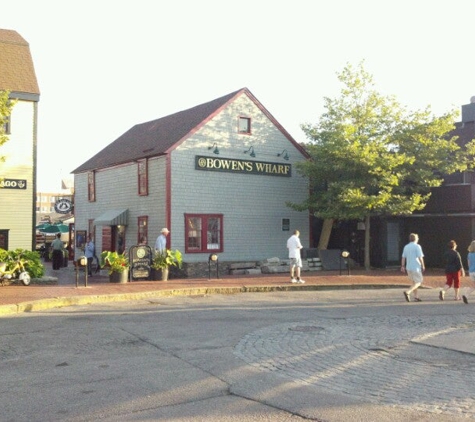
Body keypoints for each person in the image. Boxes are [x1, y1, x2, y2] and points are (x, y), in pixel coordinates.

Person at [401, 233, 425, 302]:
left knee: (414, 282)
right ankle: (408, 291)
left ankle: (416, 296)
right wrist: (423, 265)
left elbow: (403, 257)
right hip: (416, 267)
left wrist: (402, 266)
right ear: (416, 239)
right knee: (419, 282)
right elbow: (420, 257)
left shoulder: (406, 246)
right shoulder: (417, 246)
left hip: (409, 267)